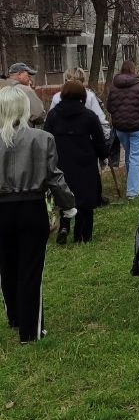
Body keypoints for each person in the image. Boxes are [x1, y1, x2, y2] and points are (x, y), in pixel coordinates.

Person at [0, 86, 76, 342]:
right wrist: (68, 204)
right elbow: (55, 178)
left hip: (3, 210)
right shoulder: (42, 139)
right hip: (31, 208)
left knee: (7, 266)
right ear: (24, 108)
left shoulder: (41, 138)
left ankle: (15, 317)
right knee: (31, 268)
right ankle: (29, 330)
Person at [44, 79, 109, 244]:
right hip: (85, 162)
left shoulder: (53, 115)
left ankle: (65, 226)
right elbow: (99, 140)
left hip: (61, 162)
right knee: (86, 201)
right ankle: (83, 236)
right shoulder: (88, 116)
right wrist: (103, 156)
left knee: (65, 195)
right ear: (83, 95)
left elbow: (46, 138)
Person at [106, 60, 139, 200]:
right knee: (136, 157)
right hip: (138, 127)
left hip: (120, 127)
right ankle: (133, 192)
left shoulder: (114, 87)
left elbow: (109, 107)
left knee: (130, 155)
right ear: (133, 70)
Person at [48, 67, 111, 139]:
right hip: (85, 140)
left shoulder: (57, 97)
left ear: (66, 80)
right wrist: (106, 138)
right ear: (83, 80)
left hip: (62, 140)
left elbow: (50, 121)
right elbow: (101, 120)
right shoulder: (89, 96)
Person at [4, 61, 46, 126]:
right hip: (21, 132)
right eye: (28, 75)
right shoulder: (25, 90)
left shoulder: (2, 87)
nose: (30, 78)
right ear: (20, 75)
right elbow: (38, 115)